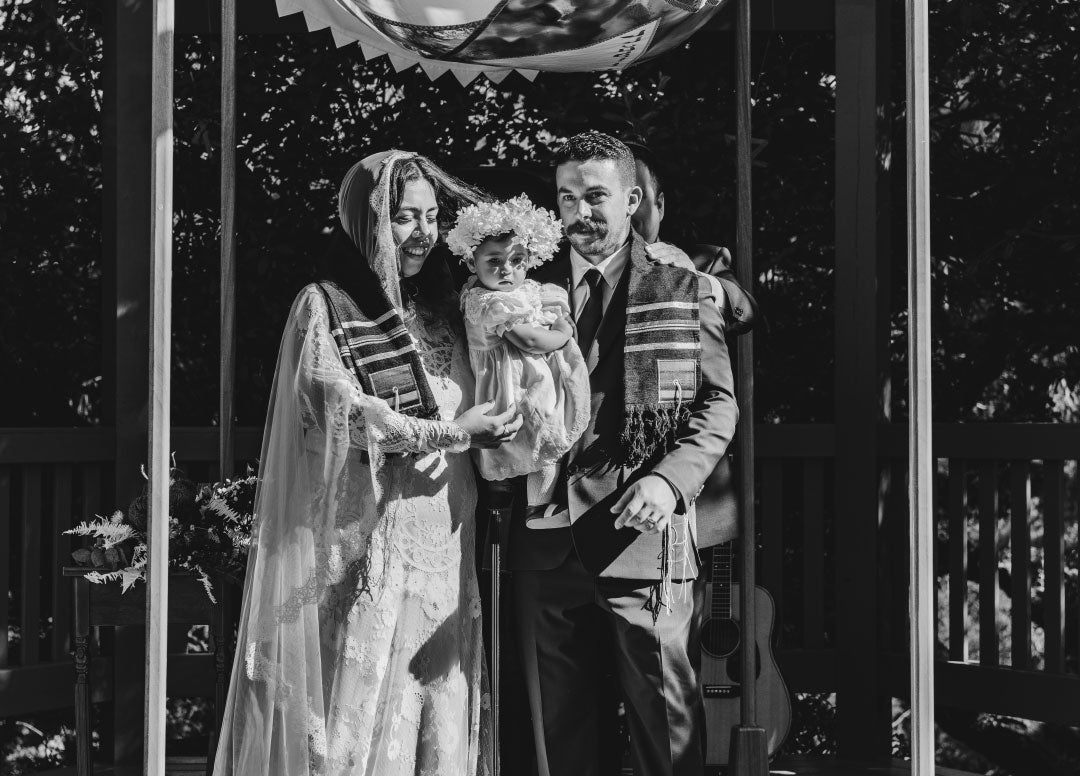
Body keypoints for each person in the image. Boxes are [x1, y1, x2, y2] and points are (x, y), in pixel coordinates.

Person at [212, 150, 524, 776]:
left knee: (437, 693)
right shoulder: (326, 305)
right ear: (365, 220)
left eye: (433, 216)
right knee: (363, 694)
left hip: (445, 536)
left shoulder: (451, 307)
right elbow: (341, 412)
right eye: (404, 217)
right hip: (370, 538)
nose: (422, 234)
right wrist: (453, 432)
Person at [509, 131, 739, 776]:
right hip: (544, 544)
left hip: (643, 542)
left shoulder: (682, 285)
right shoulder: (523, 287)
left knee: (667, 733)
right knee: (561, 738)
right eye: (566, 197)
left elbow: (719, 404)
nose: (580, 212)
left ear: (633, 199)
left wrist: (670, 482)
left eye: (596, 196)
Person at [450, 195, 591, 518]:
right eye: (494, 261)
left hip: (516, 377)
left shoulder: (497, 291)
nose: (507, 270)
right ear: (472, 263)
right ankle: (537, 509)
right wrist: (562, 334)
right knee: (542, 431)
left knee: (532, 441)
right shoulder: (491, 302)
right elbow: (528, 340)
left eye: (517, 260)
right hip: (511, 385)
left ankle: (530, 505)